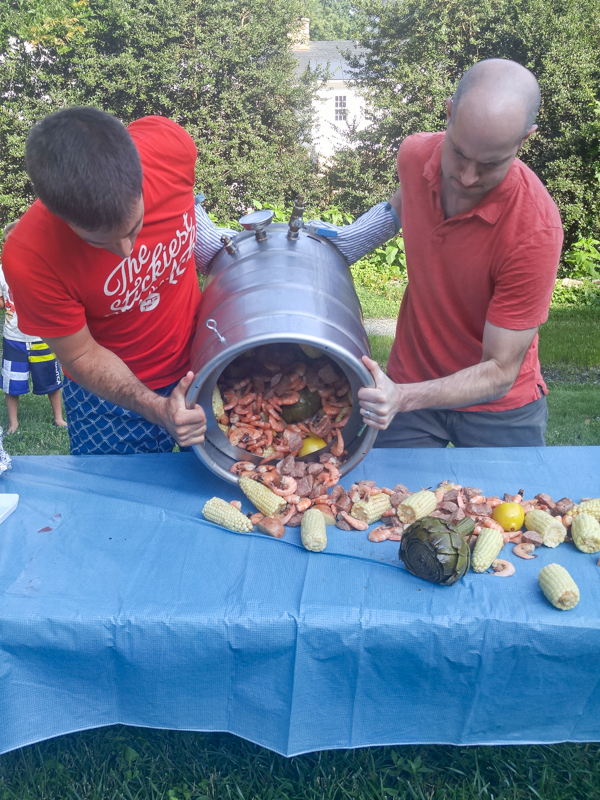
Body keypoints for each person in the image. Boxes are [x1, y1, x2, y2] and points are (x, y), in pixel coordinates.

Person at [1, 106, 400, 455]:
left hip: (207, 365)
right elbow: (81, 356)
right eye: (99, 243)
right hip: (110, 403)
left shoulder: (170, 148)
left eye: (135, 228)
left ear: (141, 175)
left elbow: (191, 214)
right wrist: (156, 407)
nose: (126, 250)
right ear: (58, 214)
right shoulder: (31, 258)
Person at [357, 59, 564, 448]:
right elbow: (401, 206)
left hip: (499, 406)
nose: (467, 177)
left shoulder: (535, 230)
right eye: (458, 153)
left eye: (489, 164)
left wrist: (402, 397)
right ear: (449, 113)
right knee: (380, 488)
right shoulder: (415, 154)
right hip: (412, 379)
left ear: (524, 140)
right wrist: (342, 245)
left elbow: (500, 370)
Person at [0, 223, 67, 434]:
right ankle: (14, 423)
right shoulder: (1, 271)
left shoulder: (42, 267)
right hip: (13, 338)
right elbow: (3, 300)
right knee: (12, 384)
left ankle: (58, 418)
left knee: (51, 380)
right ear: (4, 245)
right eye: (9, 242)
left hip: (42, 338)